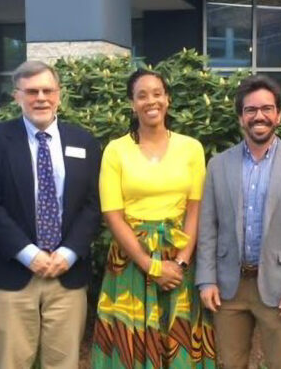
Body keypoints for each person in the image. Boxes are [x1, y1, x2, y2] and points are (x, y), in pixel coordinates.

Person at [0, 60, 101, 369]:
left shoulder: (83, 141)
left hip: (67, 274)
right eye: (31, 91)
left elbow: (93, 205)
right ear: (17, 96)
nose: (40, 98)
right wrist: (28, 253)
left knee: (63, 363)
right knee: (12, 362)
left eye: (47, 90)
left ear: (59, 95)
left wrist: (68, 253)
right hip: (12, 273)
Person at [195, 75, 281, 369]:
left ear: (278, 115)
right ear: (241, 117)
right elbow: (208, 228)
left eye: (267, 109)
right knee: (231, 363)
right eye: (251, 110)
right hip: (229, 288)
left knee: (280, 364)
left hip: (280, 289)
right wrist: (206, 280)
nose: (259, 116)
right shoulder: (217, 165)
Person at [91, 69, 215, 368]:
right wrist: (151, 266)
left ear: (168, 99)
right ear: (132, 104)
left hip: (178, 259)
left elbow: (195, 209)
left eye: (157, 93)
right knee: (129, 345)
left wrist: (181, 263)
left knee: (179, 341)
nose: (151, 101)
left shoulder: (191, 148)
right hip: (131, 258)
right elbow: (112, 214)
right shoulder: (116, 150)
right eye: (142, 95)